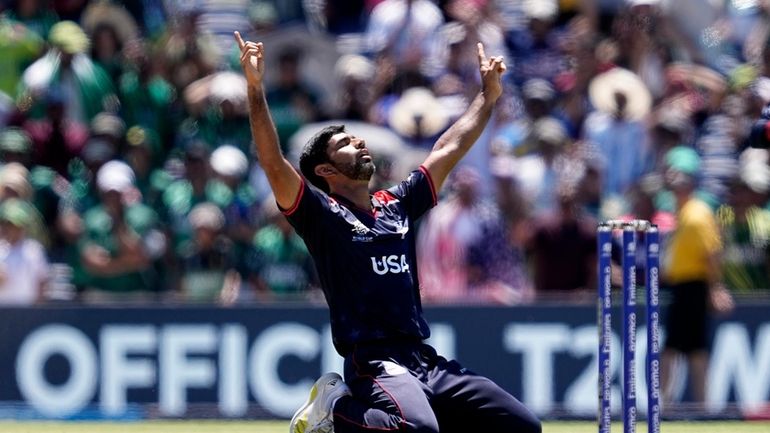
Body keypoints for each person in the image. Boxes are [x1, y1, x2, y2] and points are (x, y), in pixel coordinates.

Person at [234, 32, 540, 433]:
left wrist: (488, 95)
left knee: (522, 427)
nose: (358, 142)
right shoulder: (320, 214)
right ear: (325, 172)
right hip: (374, 360)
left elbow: (447, 148)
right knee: (418, 430)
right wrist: (256, 89)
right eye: (344, 143)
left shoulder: (396, 204)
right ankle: (334, 411)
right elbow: (273, 162)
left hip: (424, 358)